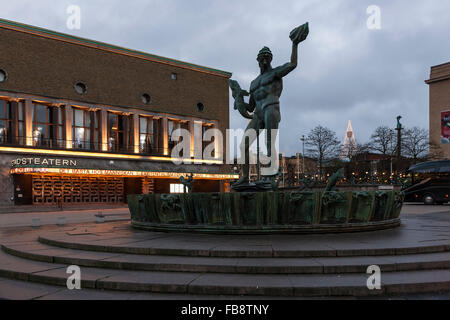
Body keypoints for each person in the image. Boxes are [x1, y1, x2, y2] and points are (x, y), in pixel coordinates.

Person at [232, 23, 308, 187]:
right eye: (262, 58)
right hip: (258, 113)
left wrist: (295, 44)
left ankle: (269, 175)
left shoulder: (275, 73)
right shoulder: (253, 83)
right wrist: (238, 99)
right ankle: (245, 177)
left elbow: (292, 64)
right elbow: (250, 107)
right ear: (258, 61)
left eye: (267, 57)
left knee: (269, 142)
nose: (264, 60)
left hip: (271, 108)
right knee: (244, 144)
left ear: (271, 59)